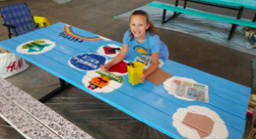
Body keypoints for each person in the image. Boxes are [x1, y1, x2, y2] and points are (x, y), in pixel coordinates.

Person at [101, 10, 169, 83]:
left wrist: (144, 74)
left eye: (140, 25)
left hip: (161, 56)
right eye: (133, 24)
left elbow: (155, 63)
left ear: (147, 26)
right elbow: (121, 54)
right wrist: (109, 65)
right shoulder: (128, 35)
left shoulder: (153, 40)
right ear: (129, 25)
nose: (136, 28)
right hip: (146, 55)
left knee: (158, 78)